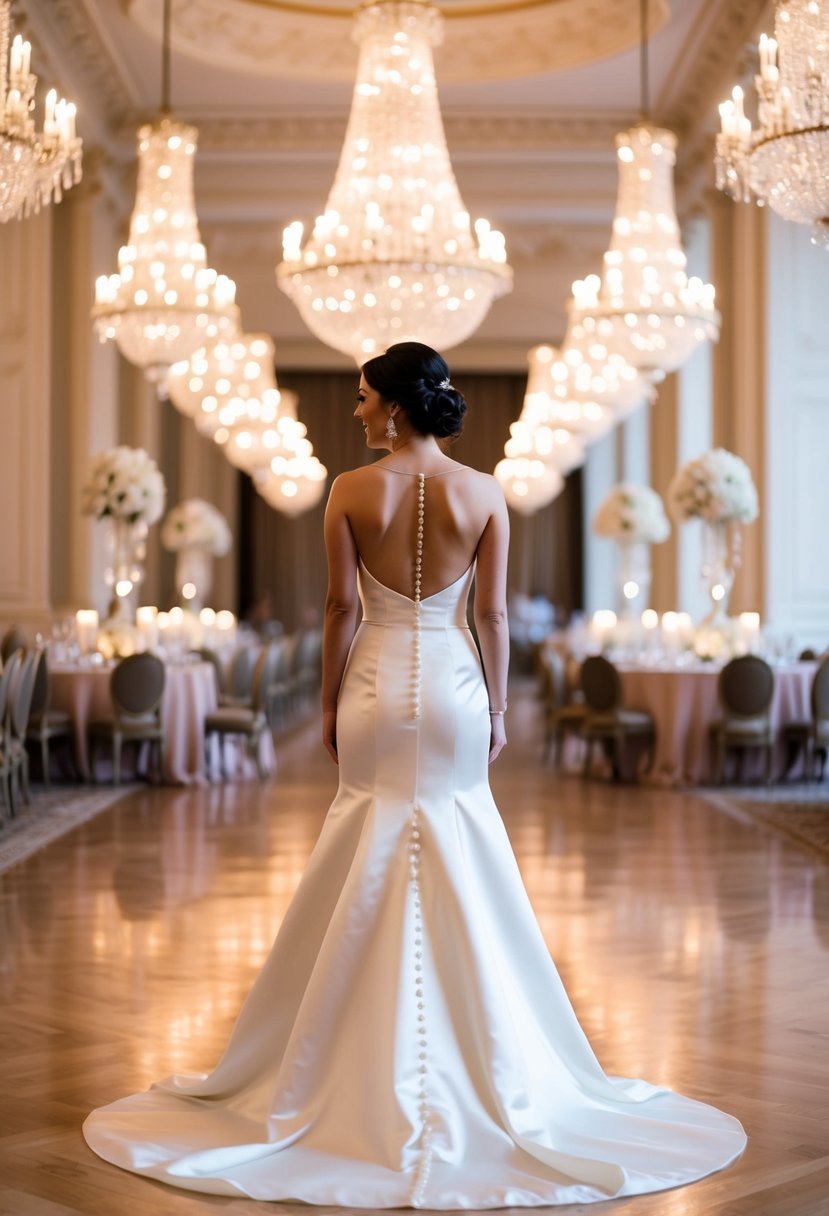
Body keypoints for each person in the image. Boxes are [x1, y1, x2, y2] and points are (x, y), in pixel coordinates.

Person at [83, 343, 746, 1207]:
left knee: (365, 835)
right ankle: (488, 1057)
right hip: (457, 688)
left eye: (363, 399)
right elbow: (494, 614)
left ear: (394, 406)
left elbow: (338, 609)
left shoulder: (351, 492)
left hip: (372, 684)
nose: (356, 412)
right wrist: (501, 711)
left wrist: (325, 707)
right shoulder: (484, 493)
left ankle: (345, 1055)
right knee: (459, 837)